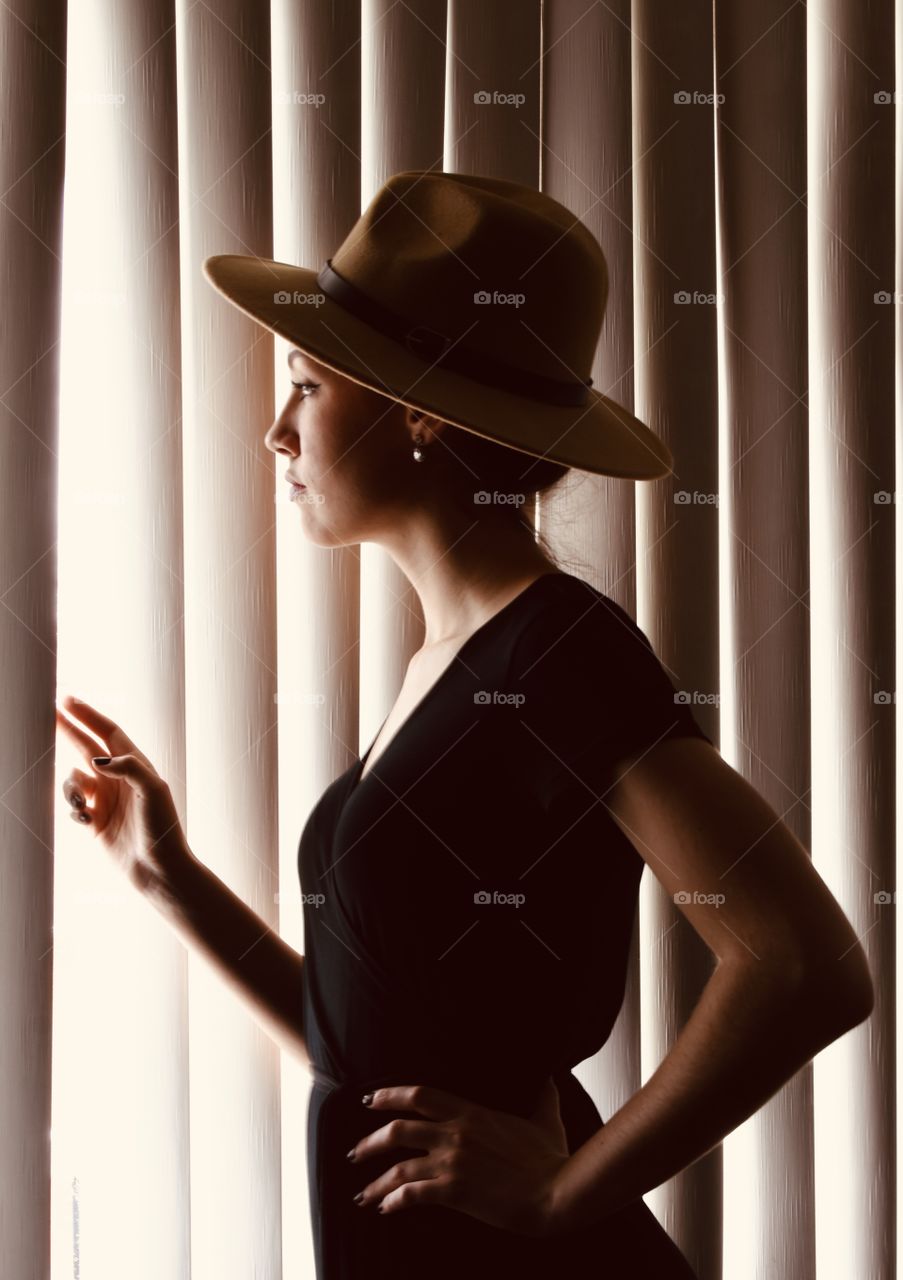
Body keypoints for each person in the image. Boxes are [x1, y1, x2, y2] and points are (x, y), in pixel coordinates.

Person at [56, 172, 874, 1279]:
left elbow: (804, 961)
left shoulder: (558, 655)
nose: (274, 431)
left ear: (418, 408)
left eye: (303, 385)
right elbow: (371, 1048)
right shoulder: (449, 668)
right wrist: (168, 876)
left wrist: (561, 1193)